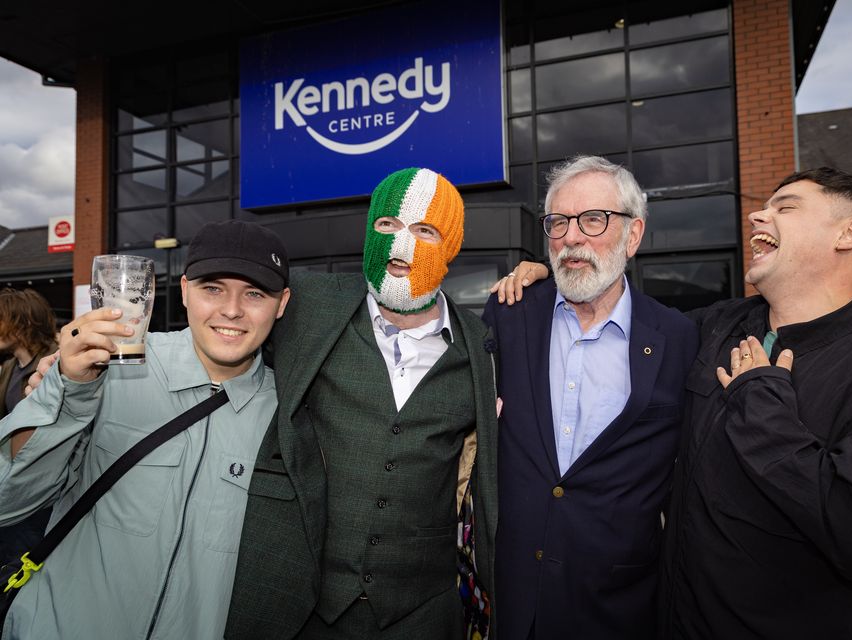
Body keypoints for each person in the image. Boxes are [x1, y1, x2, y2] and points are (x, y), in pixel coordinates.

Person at [495, 166, 852, 638]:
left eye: (786, 207)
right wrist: (548, 273)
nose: (758, 215)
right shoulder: (716, 327)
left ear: (849, 233)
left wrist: (760, 401)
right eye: (560, 222)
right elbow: (618, 308)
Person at [224, 167, 498, 640]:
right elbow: (220, 335)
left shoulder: (482, 344)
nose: (401, 247)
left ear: (450, 248)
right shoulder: (307, 305)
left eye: (425, 230)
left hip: (421, 614)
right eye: (388, 225)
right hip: (301, 605)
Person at [0, 220, 291, 638]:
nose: (232, 309)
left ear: (281, 304)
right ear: (185, 289)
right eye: (213, 288)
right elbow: (9, 501)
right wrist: (64, 389)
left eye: (255, 294)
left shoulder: (288, 414)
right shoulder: (108, 367)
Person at [482, 155, 698, 639]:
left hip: (617, 606)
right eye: (558, 222)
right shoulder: (508, 315)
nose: (572, 238)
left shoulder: (678, 337)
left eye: (593, 219)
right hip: (513, 600)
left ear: (633, 235)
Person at [0, 288, 59, 571]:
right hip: (13, 484)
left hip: (42, 493)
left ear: (23, 322)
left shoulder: (54, 363)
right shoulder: (10, 367)